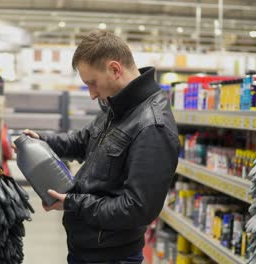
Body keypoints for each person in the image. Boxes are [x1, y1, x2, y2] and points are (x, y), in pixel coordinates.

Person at [17, 31, 179, 264]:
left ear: (115, 69)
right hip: (87, 249)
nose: (92, 94)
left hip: (112, 257)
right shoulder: (117, 105)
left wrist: (73, 203)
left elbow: (137, 209)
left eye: (92, 83)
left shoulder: (153, 126)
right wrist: (43, 140)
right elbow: (84, 140)